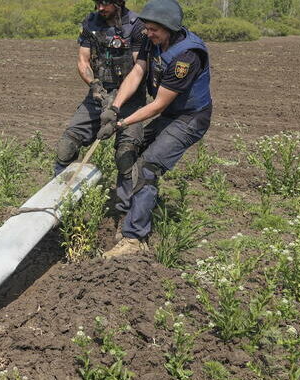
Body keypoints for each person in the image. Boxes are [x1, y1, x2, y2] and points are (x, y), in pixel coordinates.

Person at [101, 0, 213, 257]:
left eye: (154, 30)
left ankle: (134, 239)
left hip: (190, 118)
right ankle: (129, 211)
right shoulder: (150, 40)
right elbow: (137, 72)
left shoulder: (187, 56)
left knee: (149, 165)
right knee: (129, 149)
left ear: (170, 28)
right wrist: (115, 108)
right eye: (146, 28)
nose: (148, 34)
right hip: (171, 114)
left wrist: (121, 124)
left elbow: (159, 105)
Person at [54, 0, 147, 220]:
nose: (100, 8)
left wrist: (116, 101)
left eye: (105, 4)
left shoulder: (136, 26)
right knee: (66, 146)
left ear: (119, 3)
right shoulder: (91, 22)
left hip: (130, 100)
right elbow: (83, 60)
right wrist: (95, 86)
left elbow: (139, 69)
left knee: (126, 155)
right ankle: (60, 202)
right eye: (97, 3)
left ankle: (126, 216)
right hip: (97, 95)